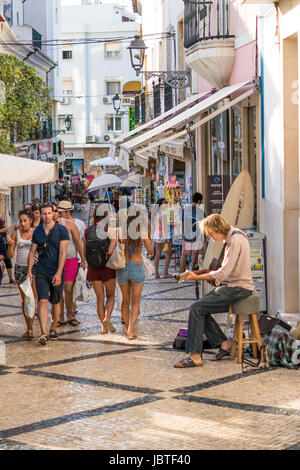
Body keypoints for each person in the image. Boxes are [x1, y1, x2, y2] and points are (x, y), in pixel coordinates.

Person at [174, 213, 254, 368]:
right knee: (200, 308)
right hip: (234, 286)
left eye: (210, 233)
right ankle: (225, 344)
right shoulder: (233, 237)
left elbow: (223, 273)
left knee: (197, 308)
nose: (210, 237)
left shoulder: (235, 240)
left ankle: (195, 356)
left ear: (217, 228)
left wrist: (196, 277)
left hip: (238, 288)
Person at [27, 203, 70, 345]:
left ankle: (53, 327)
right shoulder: (37, 231)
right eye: (44, 213)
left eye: (49, 213)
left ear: (53, 214)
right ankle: (44, 333)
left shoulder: (62, 230)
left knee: (55, 301)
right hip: (41, 270)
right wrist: (29, 270)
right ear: (40, 214)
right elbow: (32, 251)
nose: (46, 216)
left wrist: (58, 273)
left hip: (56, 270)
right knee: (43, 300)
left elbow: (63, 252)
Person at [117, 205, 153, 339]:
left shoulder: (122, 231)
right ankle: (131, 330)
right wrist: (147, 251)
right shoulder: (142, 232)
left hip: (122, 267)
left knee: (125, 301)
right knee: (136, 302)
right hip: (136, 266)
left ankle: (126, 326)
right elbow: (150, 250)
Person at [83, 204, 117, 335]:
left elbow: (84, 247)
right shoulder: (109, 228)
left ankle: (103, 327)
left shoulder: (87, 230)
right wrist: (108, 253)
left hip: (93, 267)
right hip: (107, 267)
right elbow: (113, 242)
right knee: (111, 296)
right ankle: (107, 318)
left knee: (99, 298)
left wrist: (86, 262)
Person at [7, 210, 37, 339]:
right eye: (21, 221)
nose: (23, 223)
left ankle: (33, 326)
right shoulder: (15, 234)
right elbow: (10, 256)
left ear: (30, 220)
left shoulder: (36, 233)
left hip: (35, 268)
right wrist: (10, 245)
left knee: (33, 298)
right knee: (24, 300)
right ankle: (29, 328)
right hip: (19, 268)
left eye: (25, 221)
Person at [57, 201, 85, 326]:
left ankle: (69, 314)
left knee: (68, 287)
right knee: (59, 288)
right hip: (57, 261)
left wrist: (83, 259)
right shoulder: (54, 224)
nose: (57, 214)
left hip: (72, 259)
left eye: (60, 212)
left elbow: (79, 242)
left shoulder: (73, 224)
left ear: (67, 212)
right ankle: (61, 316)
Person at [179, 192, 204, 273]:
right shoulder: (200, 211)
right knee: (195, 254)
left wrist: (183, 233)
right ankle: (193, 272)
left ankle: (181, 273)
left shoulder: (185, 210)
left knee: (184, 255)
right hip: (196, 236)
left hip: (186, 235)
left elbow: (182, 222)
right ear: (199, 201)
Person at [153, 198, 172, 279]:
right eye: (165, 203)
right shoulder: (163, 213)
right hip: (163, 236)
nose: (166, 204)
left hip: (157, 236)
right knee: (169, 253)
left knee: (157, 254)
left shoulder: (156, 213)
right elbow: (164, 227)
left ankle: (156, 273)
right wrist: (166, 238)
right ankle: (165, 272)